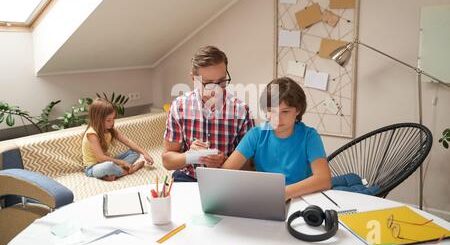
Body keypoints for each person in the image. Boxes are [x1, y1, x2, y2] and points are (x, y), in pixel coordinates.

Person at [222, 77, 332, 200]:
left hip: (301, 200)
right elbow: (225, 172)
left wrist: (283, 193)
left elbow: (324, 179)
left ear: (298, 110)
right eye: (272, 111)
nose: (277, 119)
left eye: (285, 112)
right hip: (265, 199)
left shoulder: (310, 136)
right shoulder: (256, 134)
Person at [162, 46, 255, 182]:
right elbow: (167, 161)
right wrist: (190, 156)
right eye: (209, 83)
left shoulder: (241, 111)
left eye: (221, 81)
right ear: (193, 79)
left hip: (228, 178)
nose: (216, 90)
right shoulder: (179, 107)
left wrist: (225, 161)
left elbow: (250, 166)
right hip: (188, 176)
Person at [82, 98, 154, 181]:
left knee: (135, 152)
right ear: (97, 119)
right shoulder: (92, 134)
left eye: (113, 119)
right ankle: (130, 170)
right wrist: (122, 162)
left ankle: (112, 174)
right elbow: (101, 158)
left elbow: (127, 141)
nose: (112, 123)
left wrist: (144, 153)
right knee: (108, 166)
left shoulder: (109, 129)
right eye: (108, 120)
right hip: (93, 167)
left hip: (107, 162)